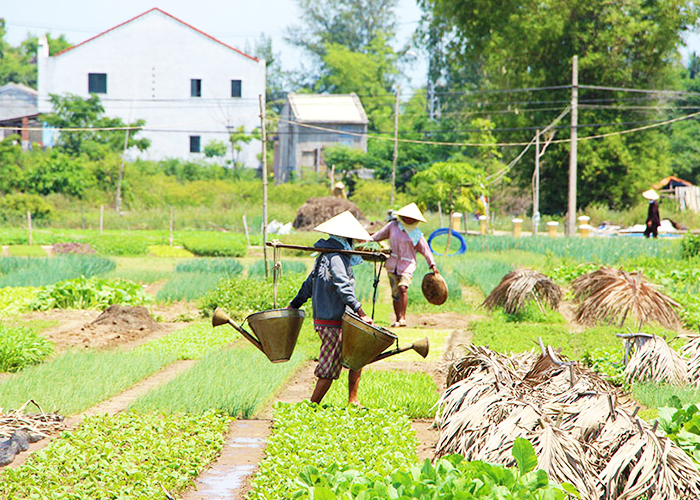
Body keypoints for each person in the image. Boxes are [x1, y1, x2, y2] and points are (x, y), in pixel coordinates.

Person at [288, 210, 373, 405]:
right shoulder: (335, 258)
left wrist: (294, 304)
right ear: (346, 239)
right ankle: (312, 406)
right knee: (329, 368)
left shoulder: (324, 256)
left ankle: (353, 400)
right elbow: (343, 287)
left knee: (357, 356)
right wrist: (361, 312)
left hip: (335, 319)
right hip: (333, 320)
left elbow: (308, 285)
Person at [371, 202, 439, 327]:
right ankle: (398, 319)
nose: (409, 219)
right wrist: (366, 242)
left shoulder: (416, 233)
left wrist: (432, 264)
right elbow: (378, 236)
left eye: (412, 218)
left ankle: (403, 317)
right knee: (395, 293)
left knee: (403, 288)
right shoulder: (393, 226)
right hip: (392, 264)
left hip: (407, 265)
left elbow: (425, 249)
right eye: (407, 217)